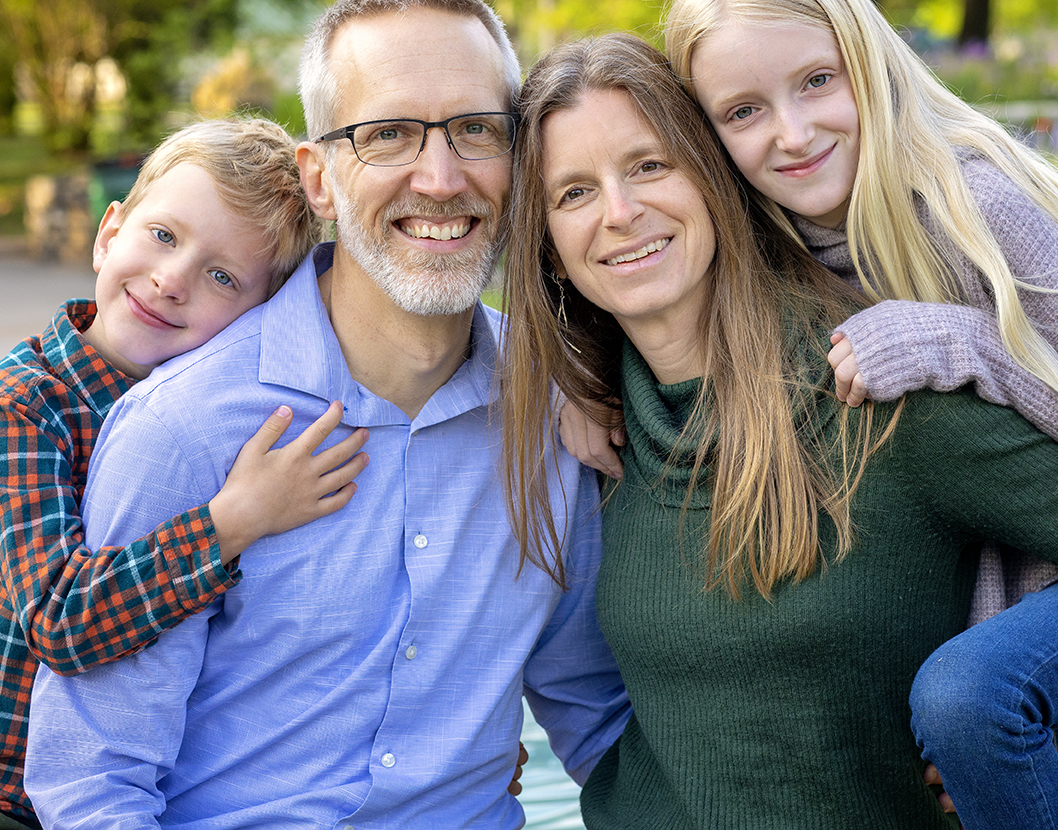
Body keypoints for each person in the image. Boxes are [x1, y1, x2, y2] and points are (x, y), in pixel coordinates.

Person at [502, 32, 1058, 830]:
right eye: (573, 194)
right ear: (548, 248)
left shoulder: (878, 383)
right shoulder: (592, 432)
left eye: (649, 165)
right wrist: (572, 383)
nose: (620, 213)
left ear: (714, 182)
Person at [22, 1, 629, 827]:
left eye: (476, 130)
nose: (442, 178)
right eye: (388, 134)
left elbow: (593, 712)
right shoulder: (186, 427)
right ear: (319, 179)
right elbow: (94, 783)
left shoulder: (560, 411)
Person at [0, 116, 370, 830]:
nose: (171, 281)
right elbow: (58, 619)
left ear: (259, 317)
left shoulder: (228, 423)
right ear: (110, 233)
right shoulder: (25, 404)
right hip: (18, 796)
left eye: (222, 276)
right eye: (163, 236)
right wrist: (233, 521)